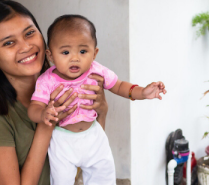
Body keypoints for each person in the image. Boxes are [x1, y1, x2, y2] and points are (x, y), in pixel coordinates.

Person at [0, 0, 109, 185]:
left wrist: (102, 111)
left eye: (30, 33)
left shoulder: (63, 86)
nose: (26, 47)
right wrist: (46, 124)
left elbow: (87, 155)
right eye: (9, 42)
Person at [28, 15, 167, 184]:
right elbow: (34, 107)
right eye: (65, 52)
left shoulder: (96, 71)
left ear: (95, 53)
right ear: (50, 55)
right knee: (61, 180)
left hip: (94, 137)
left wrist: (143, 93)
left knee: (104, 178)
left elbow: (120, 85)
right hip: (63, 140)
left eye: (83, 51)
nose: (75, 58)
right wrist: (43, 113)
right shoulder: (47, 80)